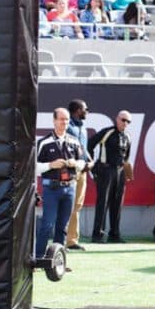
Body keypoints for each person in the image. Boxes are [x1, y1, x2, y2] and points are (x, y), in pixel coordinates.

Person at [34, 108, 87, 258]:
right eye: (61, 119)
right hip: (51, 188)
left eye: (67, 119)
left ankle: (58, 261)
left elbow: (83, 163)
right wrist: (51, 165)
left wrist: (74, 163)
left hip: (70, 188)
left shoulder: (74, 141)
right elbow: (34, 167)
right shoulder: (44, 142)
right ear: (54, 121)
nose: (64, 122)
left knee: (62, 227)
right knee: (47, 225)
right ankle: (38, 258)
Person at [88, 111, 133, 244]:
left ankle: (114, 234)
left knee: (117, 204)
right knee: (103, 203)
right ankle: (97, 235)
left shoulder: (128, 137)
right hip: (106, 170)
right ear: (117, 119)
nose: (125, 123)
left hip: (120, 172)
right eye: (123, 120)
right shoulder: (107, 132)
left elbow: (127, 157)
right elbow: (90, 144)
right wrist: (93, 166)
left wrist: (127, 172)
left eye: (128, 121)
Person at [65, 99, 92, 251]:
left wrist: (90, 160)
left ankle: (72, 240)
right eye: (85, 109)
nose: (87, 111)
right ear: (77, 110)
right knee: (68, 205)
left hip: (83, 171)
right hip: (71, 170)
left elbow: (83, 148)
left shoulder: (83, 128)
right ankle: (61, 239)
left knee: (77, 205)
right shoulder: (68, 127)